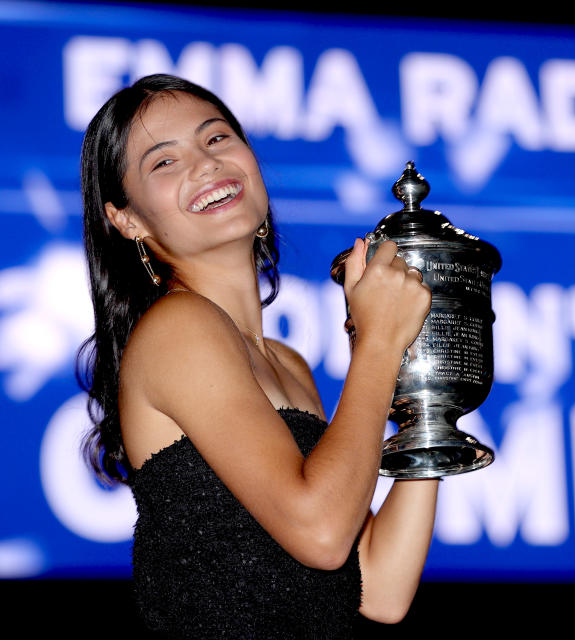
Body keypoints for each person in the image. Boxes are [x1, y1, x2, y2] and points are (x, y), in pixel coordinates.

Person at [77, 73, 436, 638]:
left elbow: (380, 588)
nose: (204, 164)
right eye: (163, 162)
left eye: (216, 138)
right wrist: (379, 343)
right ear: (128, 220)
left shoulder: (287, 363)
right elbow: (318, 532)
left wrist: (425, 400)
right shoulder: (179, 326)